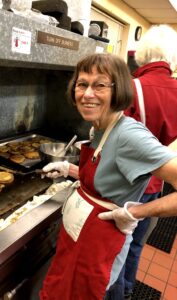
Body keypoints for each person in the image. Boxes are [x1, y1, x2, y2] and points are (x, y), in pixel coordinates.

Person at [39, 52, 177, 300]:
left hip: (100, 251)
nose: (88, 94)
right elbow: (108, 177)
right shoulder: (100, 127)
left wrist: (134, 213)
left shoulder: (129, 135)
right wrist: (69, 170)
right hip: (79, 241)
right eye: (82, 84)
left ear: (118, 91)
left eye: (100, 85)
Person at [104, 24, 177, 300]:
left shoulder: (132, 88)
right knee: (135, 247)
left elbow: (115, 141)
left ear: (143, 54)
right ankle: (131, 291)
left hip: (126, 187)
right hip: (156, 185)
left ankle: (118, 294)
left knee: (116, 249)